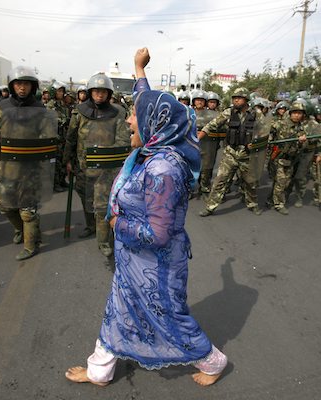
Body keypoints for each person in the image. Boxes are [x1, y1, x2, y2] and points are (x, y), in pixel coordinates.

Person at [65, 47, 227, 387]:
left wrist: (116, 223)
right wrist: (139, 70)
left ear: (154, 124)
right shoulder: (153, 147)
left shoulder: (163, 169)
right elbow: (148, 102)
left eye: (134, 117)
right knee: (119, 308)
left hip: (156, 267)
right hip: (133, 259)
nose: (128, 121)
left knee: (169, 317)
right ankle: (100, 369)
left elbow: (158, 234)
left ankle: (213, 361)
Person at [0, 66, 58, 260]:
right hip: (7, 166)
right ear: (12, 86)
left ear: (32, 86)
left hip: (31, 167)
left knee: (27, 211)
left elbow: (48, 139)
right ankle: (21, 229)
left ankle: (31, 245)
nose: (22, 88)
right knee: (4, 205)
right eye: (18, 84)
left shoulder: (41, 110)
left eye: (26, 84)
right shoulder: (3, 107)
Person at [64, 73, 131, 257]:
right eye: (96, 91)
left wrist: (108, 154)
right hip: (83, 166)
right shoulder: (79, 112)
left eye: (103, 91)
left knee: (101, 205)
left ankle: (103, 241)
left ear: (109, 93)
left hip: (107, 168)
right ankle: (90, 225)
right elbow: (70, 138)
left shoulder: (118, 113)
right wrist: (67, 161)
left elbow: (123, 140)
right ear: (90, 92)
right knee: (86, 198)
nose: (99, 95)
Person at [198, 88, 265, 216]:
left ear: (246, 99)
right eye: (234, 98)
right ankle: (210, 207)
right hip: (231, 153)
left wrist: (256, 143)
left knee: (250, 183)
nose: (236, 100)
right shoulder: (228, 112)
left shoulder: (256, 114)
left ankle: (253, 204)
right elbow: (211, 125)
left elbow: (265, 132)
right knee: (219, 180)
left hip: (247, 154)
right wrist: (198, 138)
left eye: (239, 98)